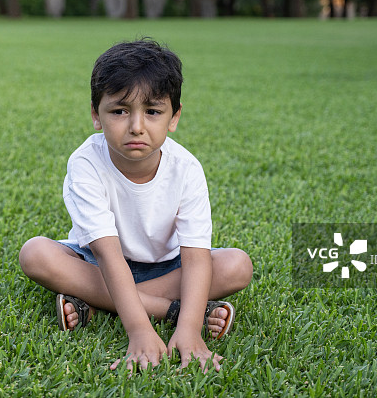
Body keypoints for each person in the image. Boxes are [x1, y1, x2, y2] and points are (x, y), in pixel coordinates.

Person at [19, 38, 253, 372]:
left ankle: (94, 303)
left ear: (174, 117)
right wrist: (142, 329)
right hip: (98, 264)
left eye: (153, 112)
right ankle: (169, 309)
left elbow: (196, 257)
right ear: (96, 115)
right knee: (35, 253)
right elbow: (108, 254)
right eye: (119, 111)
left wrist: (189, 332)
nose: (136, 127)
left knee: (237, 265)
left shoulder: (186, 169)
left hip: (167, 268)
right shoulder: (86, 163)